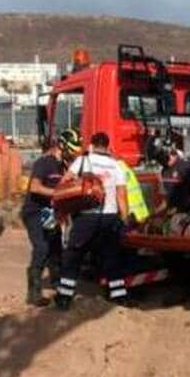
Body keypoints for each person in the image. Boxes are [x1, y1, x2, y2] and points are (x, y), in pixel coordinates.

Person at [55, 132, 129, 310]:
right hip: (109, 217)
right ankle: (119, 297)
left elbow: (65, 183)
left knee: (73, 255)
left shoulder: (83, 161)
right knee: (111, 257)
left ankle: (64, 297)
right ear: (107, 146)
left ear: (92, 145)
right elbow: (121, 196)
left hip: (86, 216)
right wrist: (124, 220)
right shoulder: (116, 166)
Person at [21, 130, 80, 307]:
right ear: (61, 146)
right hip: (34, 212)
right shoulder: (45, 163)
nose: (73, 155)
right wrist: (57, 194)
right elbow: (35, 187)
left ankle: (58, 286)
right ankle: (33, 293)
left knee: (56, 250)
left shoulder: (64, 167)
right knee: (41, 248)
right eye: (71, 150)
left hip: (51, 214)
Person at [152, 131, 190, 235]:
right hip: (174, 216)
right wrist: (155, 214)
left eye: (165, 158)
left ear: (172, 152)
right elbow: (167, 200)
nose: (164, 162)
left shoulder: (186, 168)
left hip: (188, 215)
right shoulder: (164, 171)